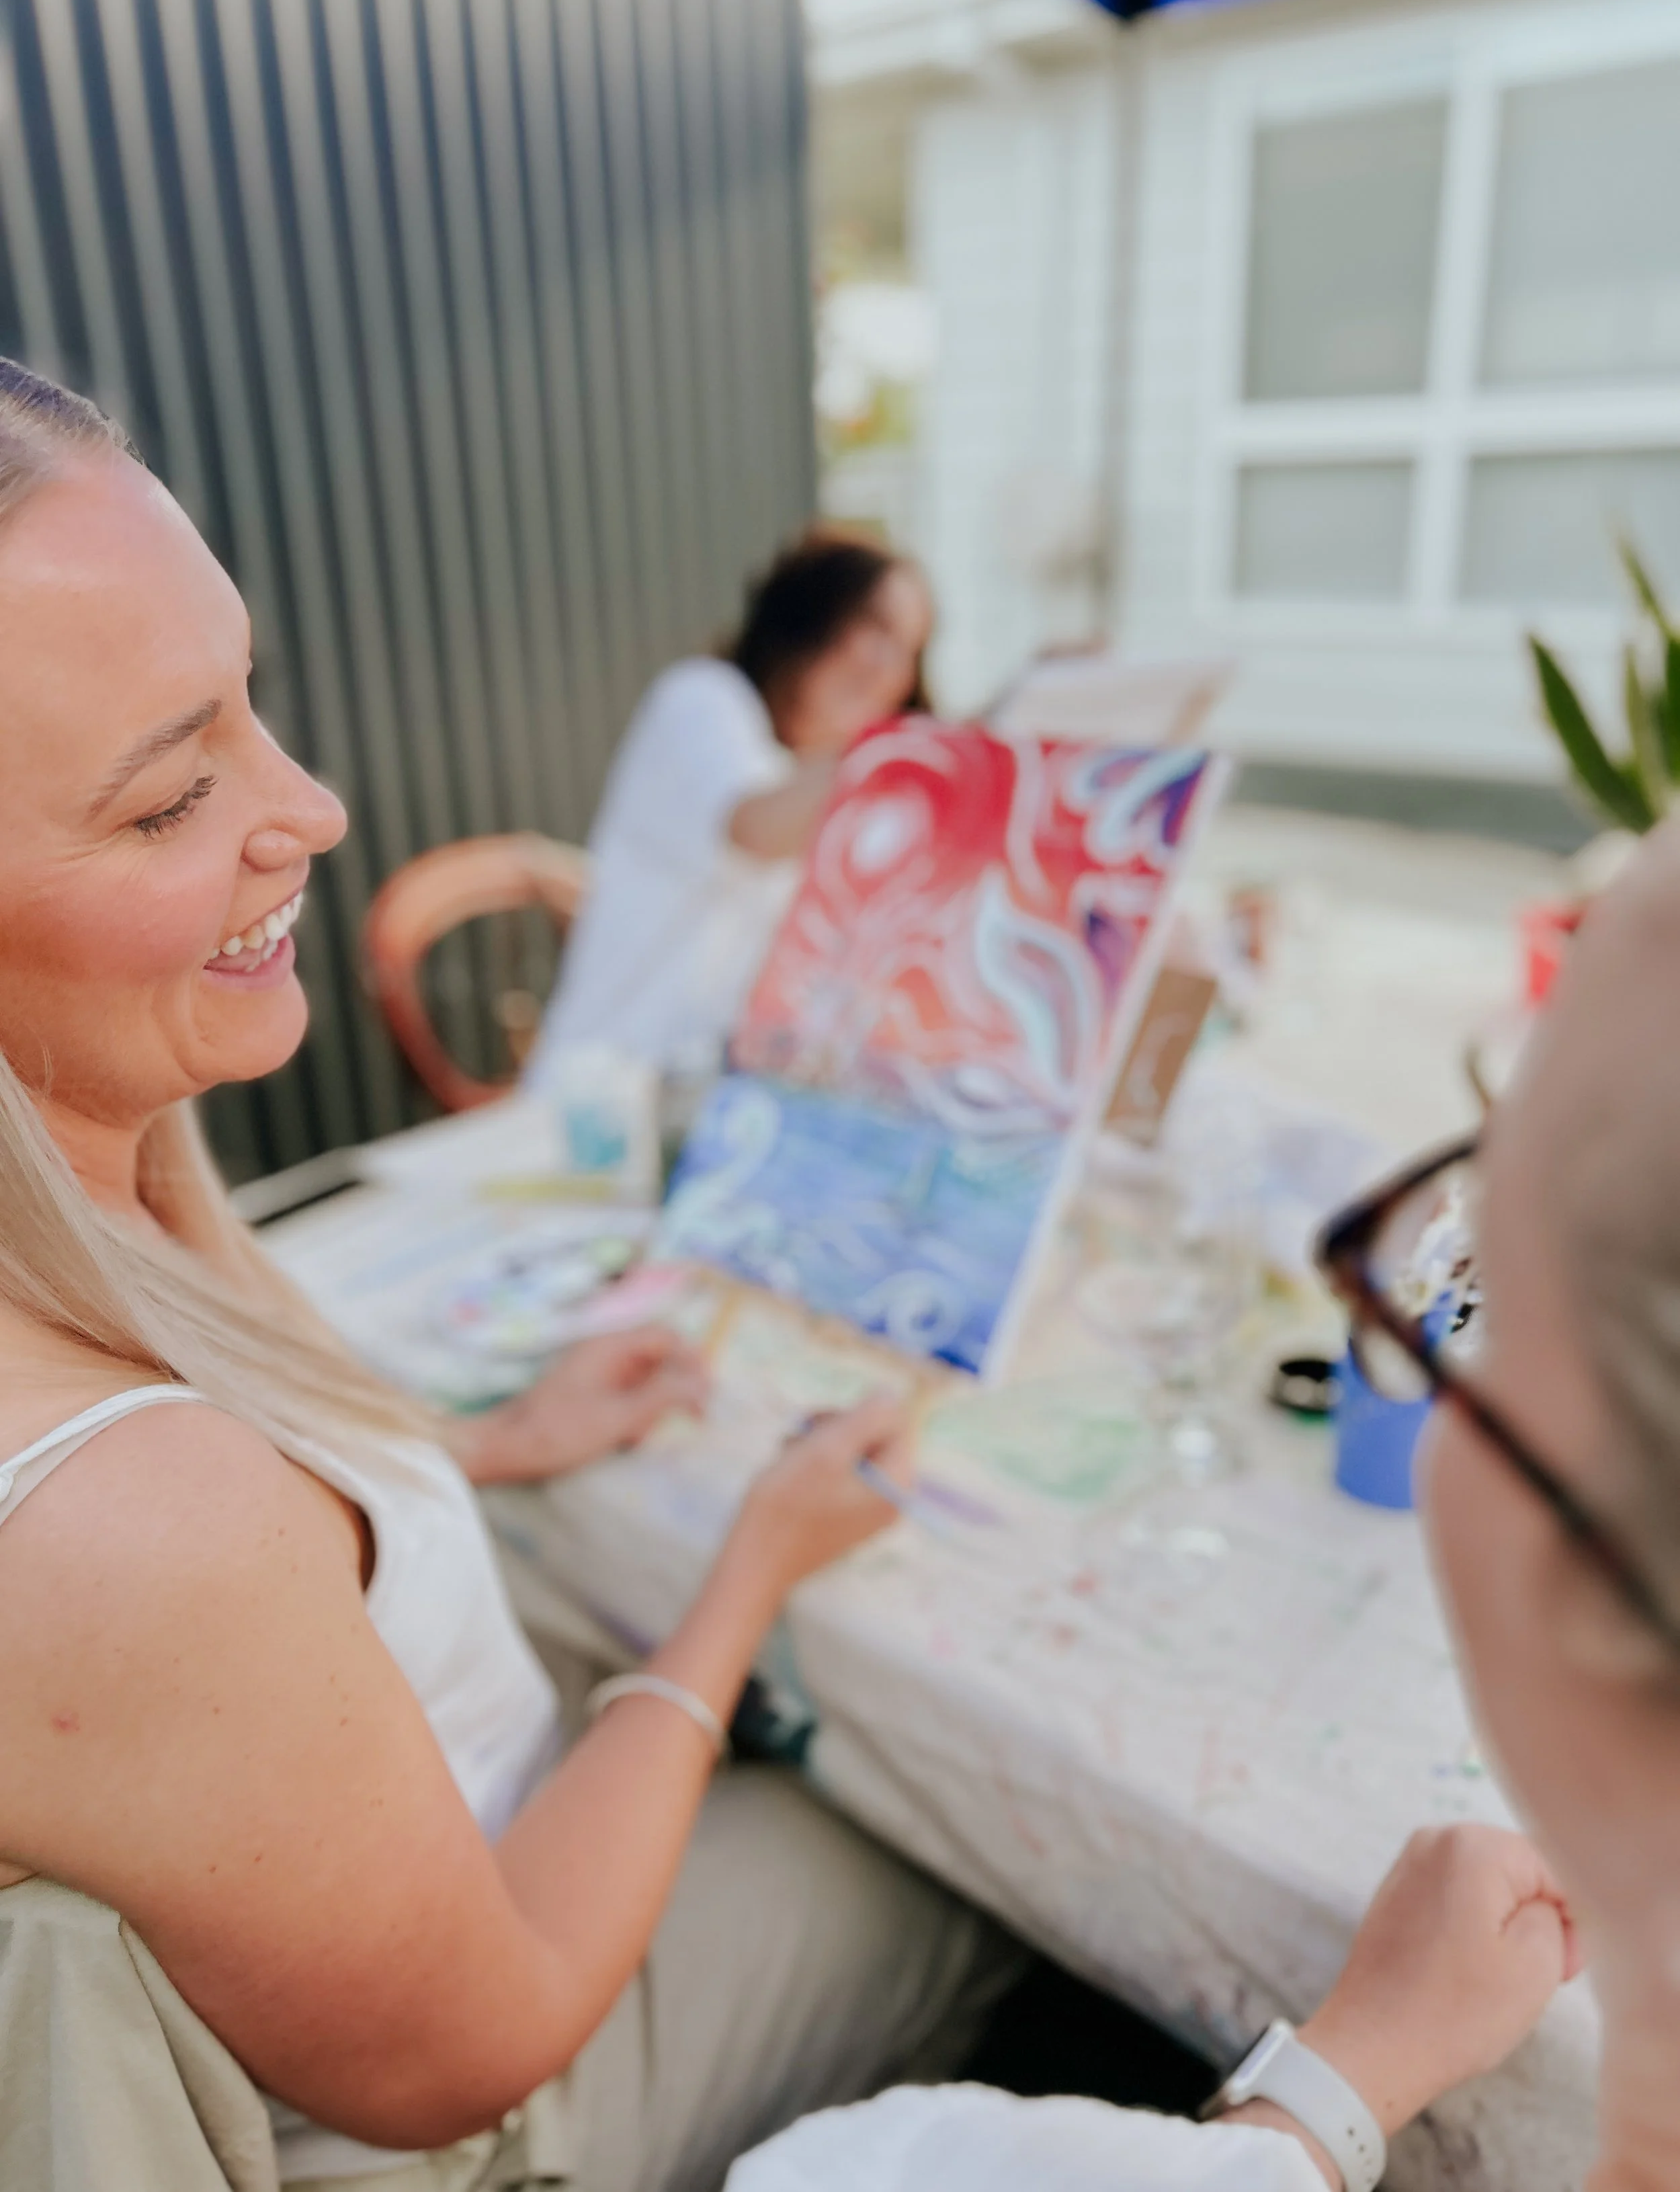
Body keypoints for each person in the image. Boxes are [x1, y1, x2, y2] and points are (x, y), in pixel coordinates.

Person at [0, 360, 1015, 2192]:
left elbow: (241, 1636)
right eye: (168, 799)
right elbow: (487, 2032)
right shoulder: (129, 1519)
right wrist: (738, 1587)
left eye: (251, 703)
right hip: (492, 2113)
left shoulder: (105, 1179)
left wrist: (487, 1446)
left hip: (443, 1842)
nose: (308, 803)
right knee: (974, 1844)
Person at [732, 829, 1680, 2185]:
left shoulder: (899, 2157)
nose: (1428, 1319)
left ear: (1573, 1574)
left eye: (1478, 1287)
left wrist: (1322, 2095)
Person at [526, 528, 933, 1084]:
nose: (889, 668)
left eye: (909, 649)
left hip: (720, 1104)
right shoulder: (702, 700)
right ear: (809, 615)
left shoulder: (817, 773)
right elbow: (756, 828)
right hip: (605, 1101)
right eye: (877, 628)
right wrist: (918, 750)